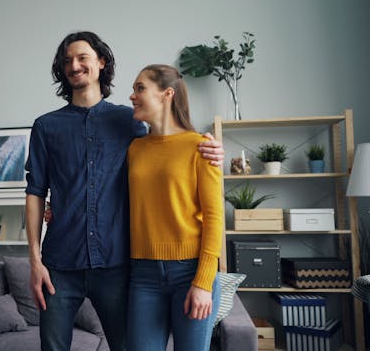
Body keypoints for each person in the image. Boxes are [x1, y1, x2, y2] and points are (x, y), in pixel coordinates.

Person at [24, 31, 224, 351]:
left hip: (117, 265)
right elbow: (35, 190)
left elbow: (170, 147)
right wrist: (35, 260)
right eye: (67, 61)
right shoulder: (46, 126)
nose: (74, 65)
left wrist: (211, 149)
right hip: (60, 263)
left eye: (82, 57)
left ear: (101, 63)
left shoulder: (128, 123)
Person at [126, 64, 223, 351]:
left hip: (190, 272)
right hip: (142, 274)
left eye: (140, 88)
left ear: (167, 93)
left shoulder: (200, 147)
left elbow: (215, 218)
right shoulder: (134, 149)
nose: (132, 96)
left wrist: (204, 282)